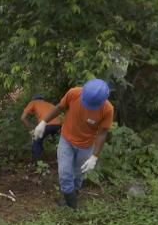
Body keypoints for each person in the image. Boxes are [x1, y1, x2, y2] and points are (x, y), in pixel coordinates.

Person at [33, 79, 114, 208]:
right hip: (66, 140)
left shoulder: (108, 110)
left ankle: (69, 197)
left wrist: (95, 156)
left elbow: (102, 133)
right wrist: (43, 122)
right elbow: (59, 107)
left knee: (78, 175)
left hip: (86, 146)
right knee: (65, 173)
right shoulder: (73, 94)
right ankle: (72, 206)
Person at [21, 94, 61, 162]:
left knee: (36, 141)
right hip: (59, 125)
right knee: (58, 142)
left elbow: (23, 118)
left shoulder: (33, 102)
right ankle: (59, 159)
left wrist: (32, 128)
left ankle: (38, 162)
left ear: (34, 100)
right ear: (43, 100)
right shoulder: (50, 104)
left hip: (46, 124)